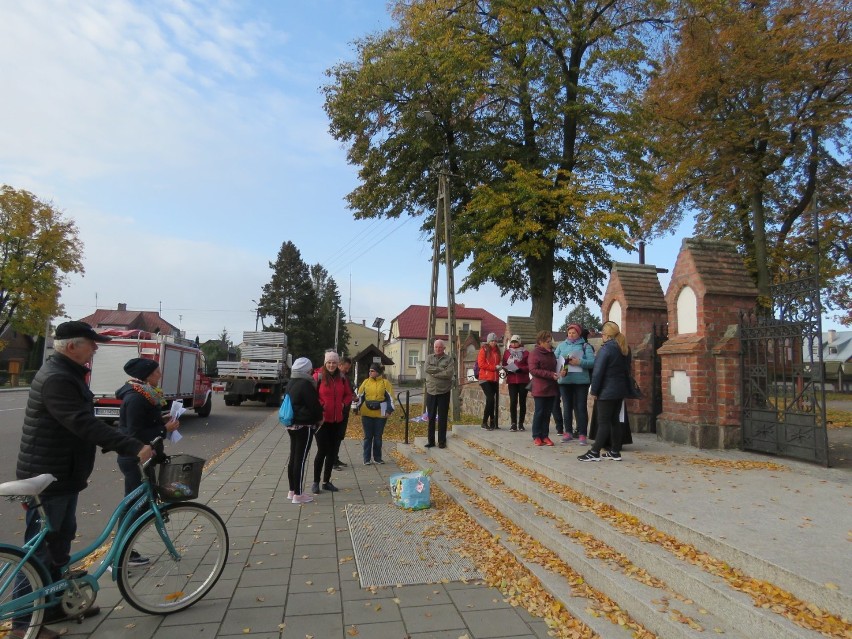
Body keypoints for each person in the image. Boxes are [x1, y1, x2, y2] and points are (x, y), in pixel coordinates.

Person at [15, 321, 154, 637]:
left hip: (61, 474)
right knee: (39, 551)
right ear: (73, 346)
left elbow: (85, 423)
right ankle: (24, 625)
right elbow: (81, 423)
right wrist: (132, 445)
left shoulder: (67, 373)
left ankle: (52, 606)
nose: (95, 348)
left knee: (59, 544)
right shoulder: (57, 379)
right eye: (91, 343)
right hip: (47, 476)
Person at [115, 357, 181, 566]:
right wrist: (164, 430)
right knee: (135, 505)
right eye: (156, 373)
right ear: (146, 376)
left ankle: (124, 550)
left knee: (139, 503)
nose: (160, 375)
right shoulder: (135, 397)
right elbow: (134, 432)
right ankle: (121, 551)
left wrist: (162, 419)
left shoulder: (146, 395)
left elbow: (144, 422)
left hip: (145, 457)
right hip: (135, 458)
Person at [578, 321, 631, 462]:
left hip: (606, 390)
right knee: (615, 421)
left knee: (603, 422)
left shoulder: (606, 349)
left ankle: (594, 452)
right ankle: (615, 451)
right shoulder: (624, 348)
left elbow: (598, 372)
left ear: (606, 334)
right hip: (619, 389)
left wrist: (594, 390)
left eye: (602, 333)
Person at [311, 351, 353, 493]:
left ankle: (326, 481)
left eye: (334, 362)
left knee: (332, 452)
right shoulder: (318, 376)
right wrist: (321, 405)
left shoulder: (342, 378)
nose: (331, 365)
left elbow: (348, 395)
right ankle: (316, 482)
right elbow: (311, 396)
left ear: (337, 364)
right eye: (329, 362)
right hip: (322, 421)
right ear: (325, 363)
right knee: (322, 450)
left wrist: (343, 404)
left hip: (337, 420)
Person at [286, 357, 323, 503]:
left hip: (292, 424)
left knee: (293, 457)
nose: (311, 371)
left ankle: (292, 490)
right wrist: (319, 417)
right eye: (310, 368)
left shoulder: (291, 382)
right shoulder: (305, 384)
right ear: (306, 369)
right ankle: (299, 494)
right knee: (300, 460)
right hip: (304, 425)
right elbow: (313, 405)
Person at [554, 323, 596, 444]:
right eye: (569, 333)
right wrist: (560, 367)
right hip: (565, 380)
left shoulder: (585, 346)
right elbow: (554, 360)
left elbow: (592, 362)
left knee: (581, 407)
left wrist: (579, 362)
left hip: (581, 381)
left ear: (579, 334)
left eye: (574, 333)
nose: (571, 335)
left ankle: (582, 433)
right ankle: (568, 432)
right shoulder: (561, 345)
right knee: (567, 407)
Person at [356, 362, 394, 464]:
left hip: (380, 414)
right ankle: (366, 459)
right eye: (369, 371)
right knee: (368, 437)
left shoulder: (385, 383)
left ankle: (377, 458)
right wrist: (356, 407)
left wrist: (389, 410)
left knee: (378, 437)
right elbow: (360, 396)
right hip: (366, 413)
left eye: (372, 371)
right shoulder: (365, 382)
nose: (370, 372)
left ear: (378, 372)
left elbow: (390, 397)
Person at [528, 330, 559, 446]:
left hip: (551, 387)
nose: (550, 343)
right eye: (547, 341)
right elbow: (533, 370)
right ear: (540, 342)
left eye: (550, 341)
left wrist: (560, 372)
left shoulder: (551, 353)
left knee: (547, 413)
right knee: (539, 412)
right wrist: (550, 375)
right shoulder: (534, 353)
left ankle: (545, 435)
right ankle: (536, 435)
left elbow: (555, 366)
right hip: (540, 388)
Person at [424, 339, 454, 448]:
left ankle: (442, 441)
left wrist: (434, 374)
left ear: (444, 348)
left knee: (442, 417)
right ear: (434, 348)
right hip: (431, 391)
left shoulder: (449, 359)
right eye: (436, 347)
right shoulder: (429, 358)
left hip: (444, 391)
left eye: (440, 347)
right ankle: (431, 441)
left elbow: (449, 373)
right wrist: (440, 370)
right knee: (431, 417)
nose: (438, 349)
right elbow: (427, 368)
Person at [502, 335, 530, 431]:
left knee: (522, 402)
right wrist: (507, 370)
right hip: (512, 380)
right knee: (513, 401)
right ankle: (513, 423)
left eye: (516, 342)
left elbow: (529, 365)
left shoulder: (526, 352)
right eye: (512, 342)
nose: (514, 344)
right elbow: (504, 364)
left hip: (523, 380)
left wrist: (521, 369)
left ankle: (521, 423)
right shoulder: (507, 353)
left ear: (519, 342)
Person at [477, 333, 502, 430]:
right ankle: (484, 422)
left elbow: (498, 362)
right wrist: (494, 368)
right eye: (492, 341)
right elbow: (481, 364)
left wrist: (499, 367)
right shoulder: (484, 350)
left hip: (494, 378)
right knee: (491, 399)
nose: (493, 343)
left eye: (495, 341)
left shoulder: (497, 351)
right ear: (488, 341)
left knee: (491, 401)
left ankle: (492, 422)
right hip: (485, 378)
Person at [333, 356, 354, 471]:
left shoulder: (344, 377)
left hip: (344, 412)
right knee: (335, 437)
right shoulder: (337, 378)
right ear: (340, 365)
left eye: (348, 368)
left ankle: (335, 458)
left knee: (340, 436)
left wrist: (352, 397)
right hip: (337, 412)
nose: (347, 370)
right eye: (345, 368)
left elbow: (347, 393)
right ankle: (332, 461)